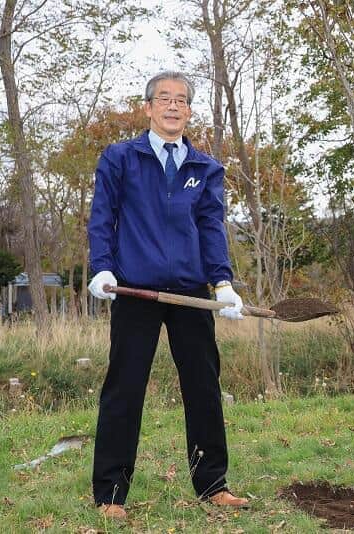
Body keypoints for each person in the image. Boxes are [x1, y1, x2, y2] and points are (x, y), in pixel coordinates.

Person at [87, 71, 249, 519]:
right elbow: (103, 218)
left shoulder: (205, 168)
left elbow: (212, 228)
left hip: (191, 295)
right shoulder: (120, 158)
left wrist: (223, 282)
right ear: (149, 108)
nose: (173, 106)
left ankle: (212, 483)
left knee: (203, 387)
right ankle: (111, 494)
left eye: (182, 100)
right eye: (164, 99)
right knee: (124, 389)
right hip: (135, 290)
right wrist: (102, 267)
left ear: (190, 110)